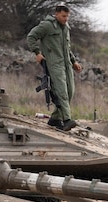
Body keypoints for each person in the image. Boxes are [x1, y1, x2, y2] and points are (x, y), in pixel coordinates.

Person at [27, 2, 82, 131]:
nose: (66, 19)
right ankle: (67, 120)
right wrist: (37, 53)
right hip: (54, 64)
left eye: (67, 16)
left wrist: (74, 62)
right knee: (62, 92)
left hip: (66, 64)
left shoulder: (66, 27)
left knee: (70, 91)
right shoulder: (47, 25)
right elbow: (31, 36)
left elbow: (67, 48)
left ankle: (55, 119)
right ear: (56, 14)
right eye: (63, 16)